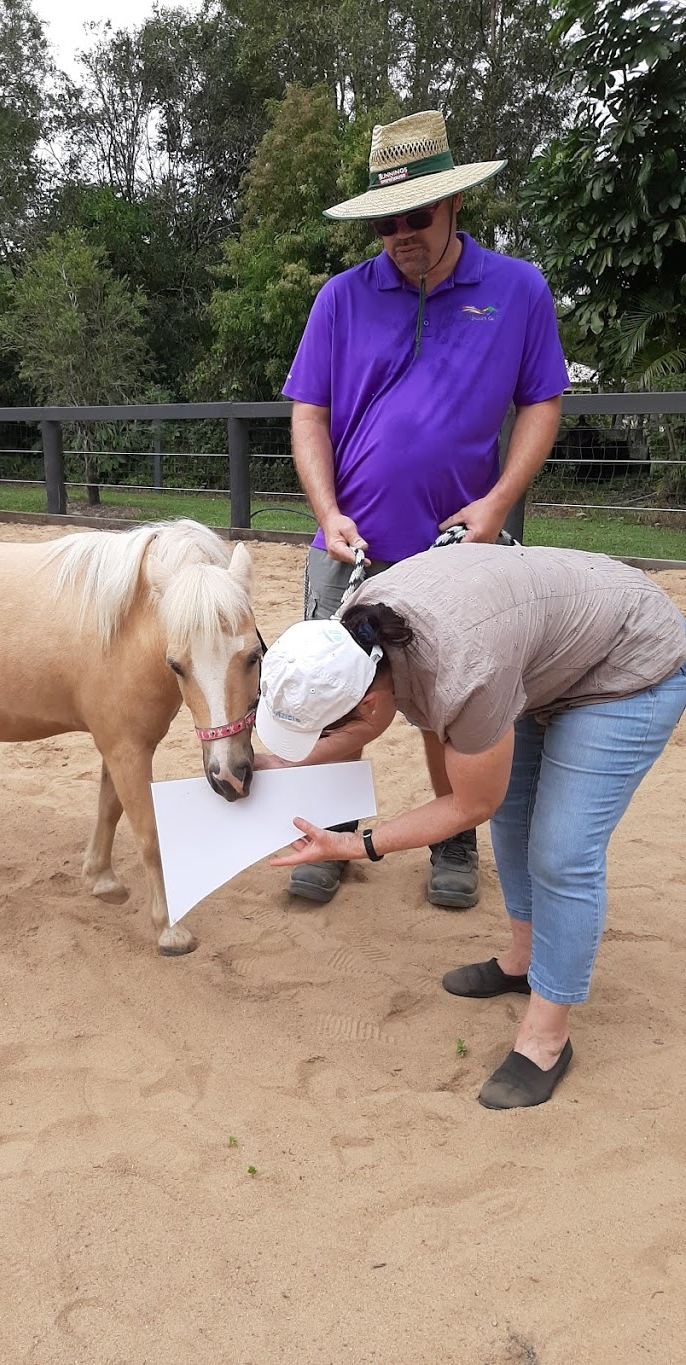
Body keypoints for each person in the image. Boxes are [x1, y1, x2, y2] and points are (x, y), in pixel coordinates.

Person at [254, 543, 686, 1109]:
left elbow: (468, 804)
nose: (319, 747)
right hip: (541, 650)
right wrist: (272, 766)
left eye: (322, 735)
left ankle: (548, 1035)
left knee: (562, 850)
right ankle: (525, 961)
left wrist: (355, 844)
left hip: (628, 662)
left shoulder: (464, 674)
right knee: (515, 813)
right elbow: (351, 733)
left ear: (368, 705)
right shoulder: (349, 638)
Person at [281, 108, 569, 911]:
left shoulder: (517, 290)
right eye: (386, 221)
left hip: (458, 552)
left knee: (453, 702)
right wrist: (326, 509)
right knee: (333, 697)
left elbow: (542, 401)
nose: (401, 234)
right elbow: (308, 410)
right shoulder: (340, 299)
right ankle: (329, 839)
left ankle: (452, 838)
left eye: (418, 216)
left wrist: (498, 503)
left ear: (454, 209)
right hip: (350, 546)